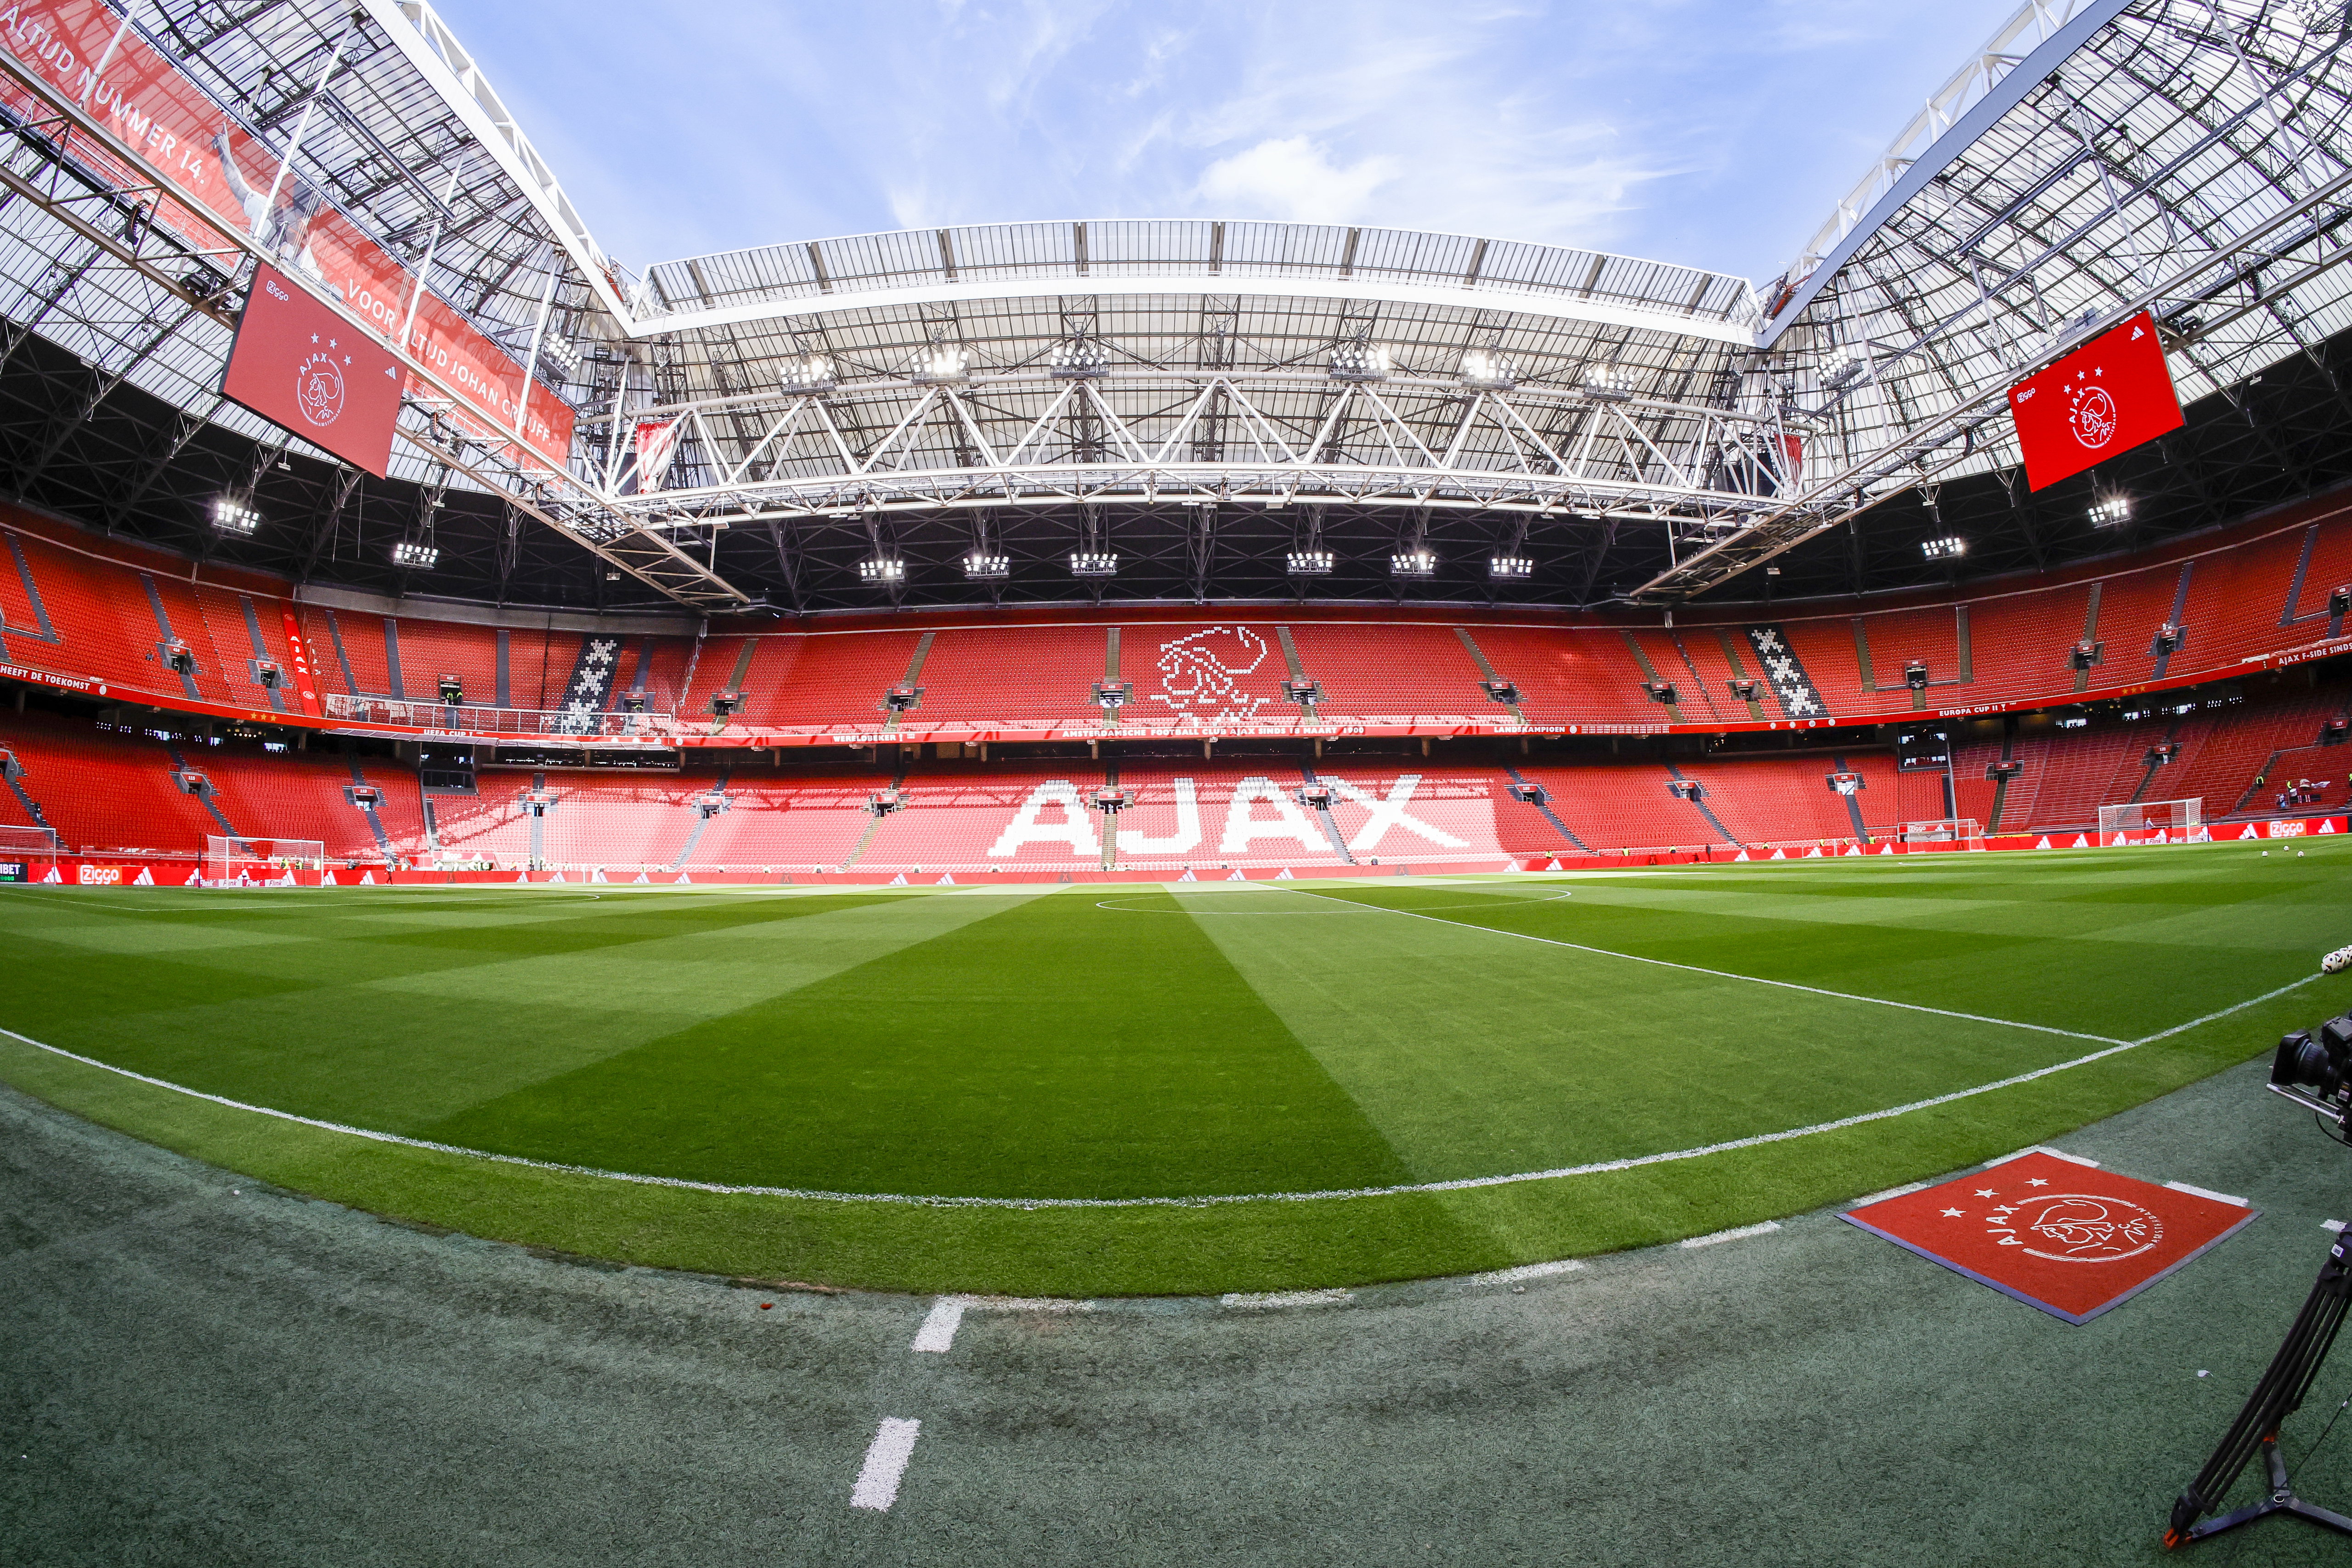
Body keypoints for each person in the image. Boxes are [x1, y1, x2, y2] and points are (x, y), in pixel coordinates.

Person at [213, 129, 324, 281]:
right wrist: (225, 152)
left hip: (245, 283)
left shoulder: (266, 208)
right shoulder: (266, 209)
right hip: (252, 285)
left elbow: (237, 185)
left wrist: (225, 152)